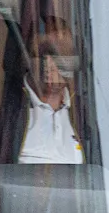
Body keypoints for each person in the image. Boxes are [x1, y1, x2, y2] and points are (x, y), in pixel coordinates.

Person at [16, 18, 85, 164]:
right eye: (42, 55)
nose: (49, 64)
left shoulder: (83, 114)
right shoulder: (10, 111)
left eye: (59, 54)